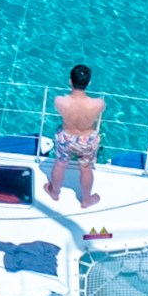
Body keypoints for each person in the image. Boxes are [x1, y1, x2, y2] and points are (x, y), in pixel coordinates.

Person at [45, 63, 104, 209]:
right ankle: (86, 200)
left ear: (70, 81)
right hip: (87, 139)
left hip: (66, 137)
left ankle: (54, 192)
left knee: (60, 165)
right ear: (89, 83)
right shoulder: (98, 103)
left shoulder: (60, 101)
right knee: (86, 169)